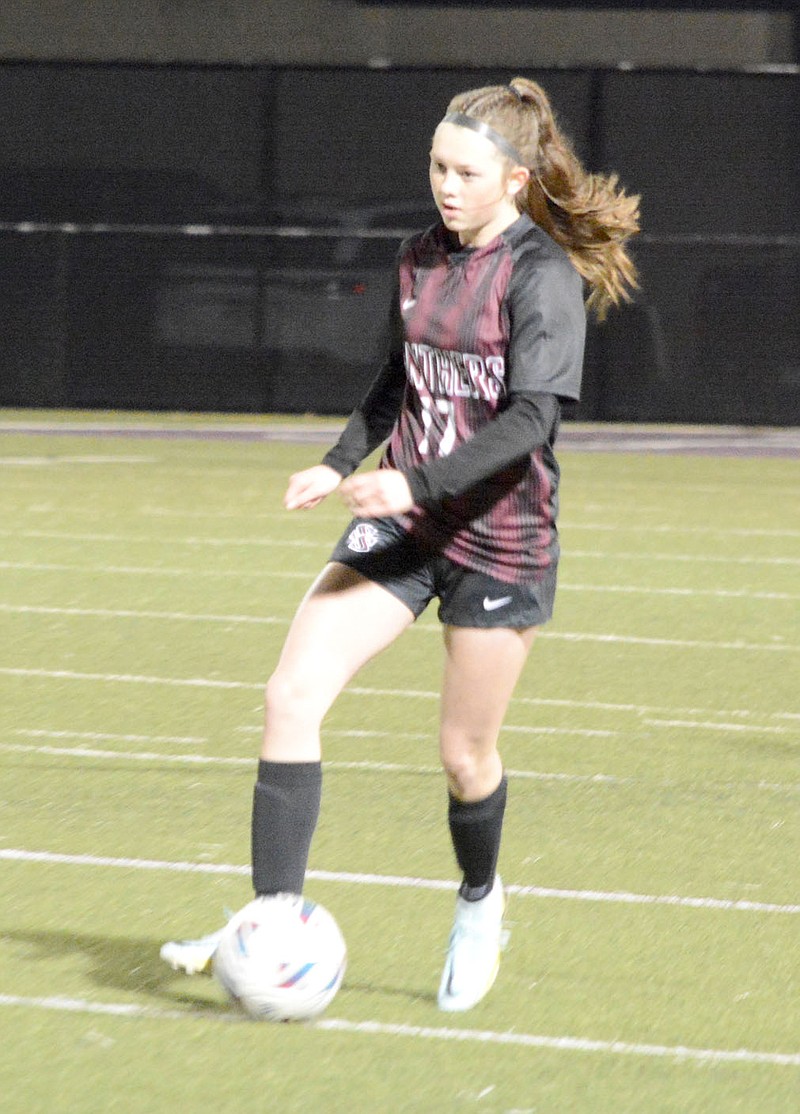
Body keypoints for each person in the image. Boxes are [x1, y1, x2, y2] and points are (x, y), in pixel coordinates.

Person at [161, 76, 639, 1012]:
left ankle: (478, 901)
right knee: (288, 696)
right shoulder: (420, 256)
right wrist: (337, 460)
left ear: (514, 178)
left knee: (465, 757)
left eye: (464, 171)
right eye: (436, 166)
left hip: (499, 540)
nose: (444, 186)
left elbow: (533, 421)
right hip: (399, 528)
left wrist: (415, 479)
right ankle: (273, 924)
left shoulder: (542, 276)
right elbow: (395, 380)